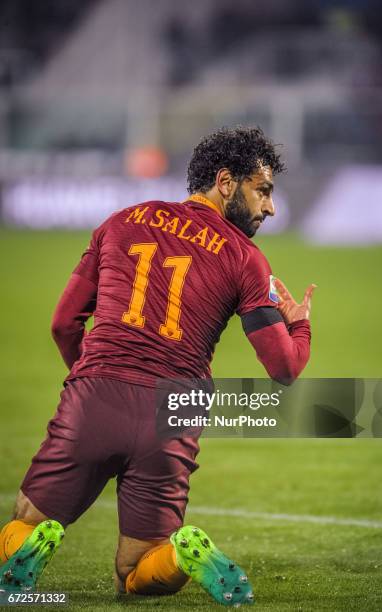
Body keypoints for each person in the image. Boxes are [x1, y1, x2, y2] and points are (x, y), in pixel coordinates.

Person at [0, 126, 315, 606]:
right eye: (263, 190)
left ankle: (30, 549)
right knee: (134, 573)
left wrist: (87, 379)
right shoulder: (248, 259)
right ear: (226, 182)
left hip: (98, 393)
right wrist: (300, 326)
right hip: (176, 412)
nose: (269, 207)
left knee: (28, 518)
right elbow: (284, 367)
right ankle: (182, 557)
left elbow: (65, 323)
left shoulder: (121, 221)